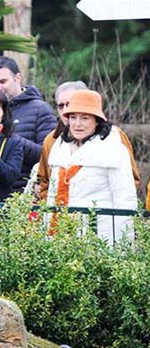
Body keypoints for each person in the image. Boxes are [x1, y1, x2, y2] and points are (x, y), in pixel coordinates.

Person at [45, 89, 138, 244]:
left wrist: (123, 246)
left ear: (97, 120)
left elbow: (125, 201)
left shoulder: (113, 150)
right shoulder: (59, 148)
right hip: (60, 236)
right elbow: (51, 198)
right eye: (73, 117)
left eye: (85, 118)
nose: (77, 124)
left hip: (99, 238)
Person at [36, 80, 141, 202]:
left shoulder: (114, 139)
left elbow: (127, 190)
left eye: (84, 117)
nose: (77, 123)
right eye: (61, 106)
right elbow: (44, 182)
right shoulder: (53, 141)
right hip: (61, 219)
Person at [0, 56, 56, 192]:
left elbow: (48, 156)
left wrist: (9, 138)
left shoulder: (41, 109)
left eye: (2, 82)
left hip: (23, 195)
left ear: (17, 78)